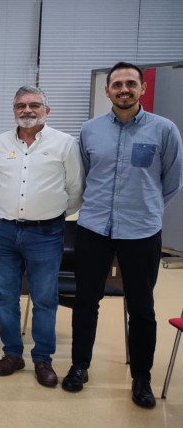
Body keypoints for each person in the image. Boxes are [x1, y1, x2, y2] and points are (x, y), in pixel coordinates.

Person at [62, 62, 183, 408]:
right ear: (107, 91)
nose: (124, 89)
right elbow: (85, 176)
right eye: (117, 84)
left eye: (131, 83)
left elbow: (172, 181)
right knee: (86, 302)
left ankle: (141, 378)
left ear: (142, 88)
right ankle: (80, 366)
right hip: (94, 229)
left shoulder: (164, 130)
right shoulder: (90, 130)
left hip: (141, 232)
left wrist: (148, 209)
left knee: (142, 307)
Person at [0, 86, 83, 387]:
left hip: (46, 233)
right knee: (6, 297)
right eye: (21, 105)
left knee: (43, 298)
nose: (27, 110)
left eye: (34, 105)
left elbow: (75, 189)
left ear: (46, 110)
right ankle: (12, 354)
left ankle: (43, 359)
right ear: (14, 110)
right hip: (3, 231)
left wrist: (49, 213)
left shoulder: (65, 144)